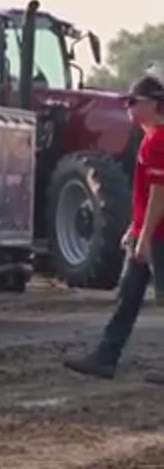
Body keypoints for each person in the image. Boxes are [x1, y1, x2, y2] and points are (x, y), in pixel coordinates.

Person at [64, 75, 164, 385]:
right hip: (145, 233)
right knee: (127, 297)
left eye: (133, 102)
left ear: (153, 104)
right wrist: (134, 230)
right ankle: (106, 357)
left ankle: (106, 356)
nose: (128, 108)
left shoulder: (158, 141)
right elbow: (147, 194)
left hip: (158, 237)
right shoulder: (150, 139)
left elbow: (160, 194)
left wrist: (145, 237)